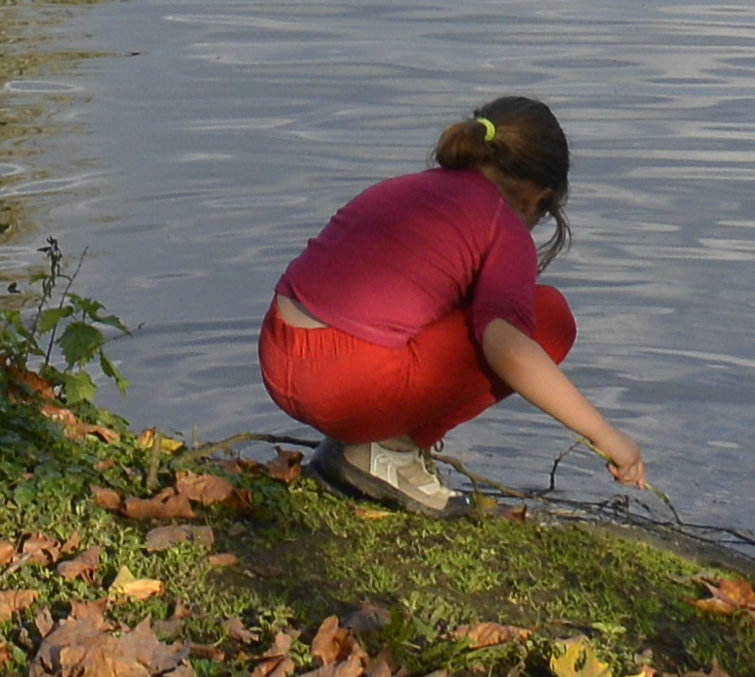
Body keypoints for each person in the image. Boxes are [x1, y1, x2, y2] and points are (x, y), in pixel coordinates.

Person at [261, 96, 654, 515]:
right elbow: (510, 351)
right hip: (345, 386)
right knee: (548, 318)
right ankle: (390, 451)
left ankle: (365, 444)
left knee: (466, 309)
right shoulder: (503, 224)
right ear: (536, 197)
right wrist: (605, 435)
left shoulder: (405, 187)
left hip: (276, 357)